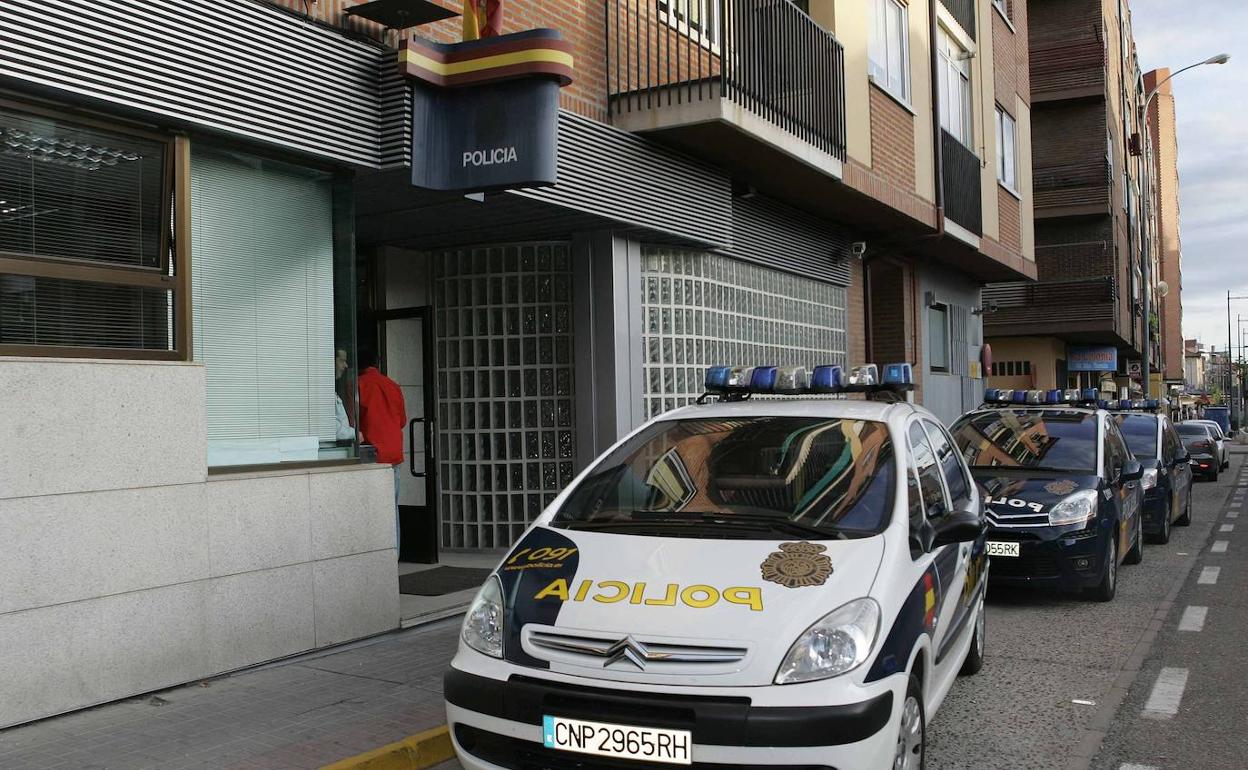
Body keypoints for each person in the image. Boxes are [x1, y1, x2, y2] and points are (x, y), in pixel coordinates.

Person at [357, 349, 407, 551]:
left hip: (372, 454)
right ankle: (393, 555)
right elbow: (402, 420)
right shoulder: (392, 385)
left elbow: (354, 422)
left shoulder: (359, 384)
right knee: (392, 508)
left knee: (372, 511)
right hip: (393, 453)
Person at [333, 348, 355, 442]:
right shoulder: (322, 393)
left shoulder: (331, 390)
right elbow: (334, 430)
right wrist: (355, 433)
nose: (345, 366)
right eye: (342, 361)